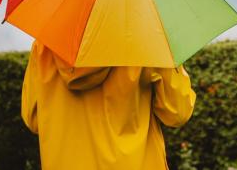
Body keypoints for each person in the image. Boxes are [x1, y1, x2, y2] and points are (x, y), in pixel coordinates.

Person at [21, 39, 196, 169]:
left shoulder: (44, 46)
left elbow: (33, 119)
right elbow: (178, 113)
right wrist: (172, 58)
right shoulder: (147, 41)